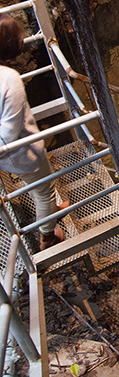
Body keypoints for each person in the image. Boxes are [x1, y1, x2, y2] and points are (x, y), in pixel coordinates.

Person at [0, 14, 67, 250]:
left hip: (10, 155)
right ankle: (48, 235)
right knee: (44, 190)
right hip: (20, 153)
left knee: (36, 184)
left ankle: (49, 213)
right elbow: (8, 135)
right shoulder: (8, 79)